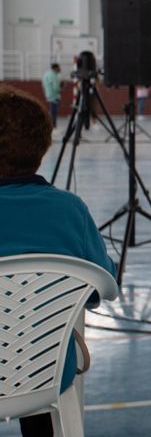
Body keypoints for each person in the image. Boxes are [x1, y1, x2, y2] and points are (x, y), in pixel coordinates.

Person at [0, 85, 116, 436]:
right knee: (36, 351)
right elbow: (102, 288)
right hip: (43, 374)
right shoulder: (70, 211)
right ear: (42, 148)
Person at [41, 63, 62, 127]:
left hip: (48, 94)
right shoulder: (53, 75)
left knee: (52, 110)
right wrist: (61, 88)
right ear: (55, 68)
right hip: (54, 95)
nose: (60, 69)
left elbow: (43, 85)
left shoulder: (46, 74)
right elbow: (56, 88)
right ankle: (52, 124)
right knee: (53, 111)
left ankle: (52, 124)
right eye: (59, 67)